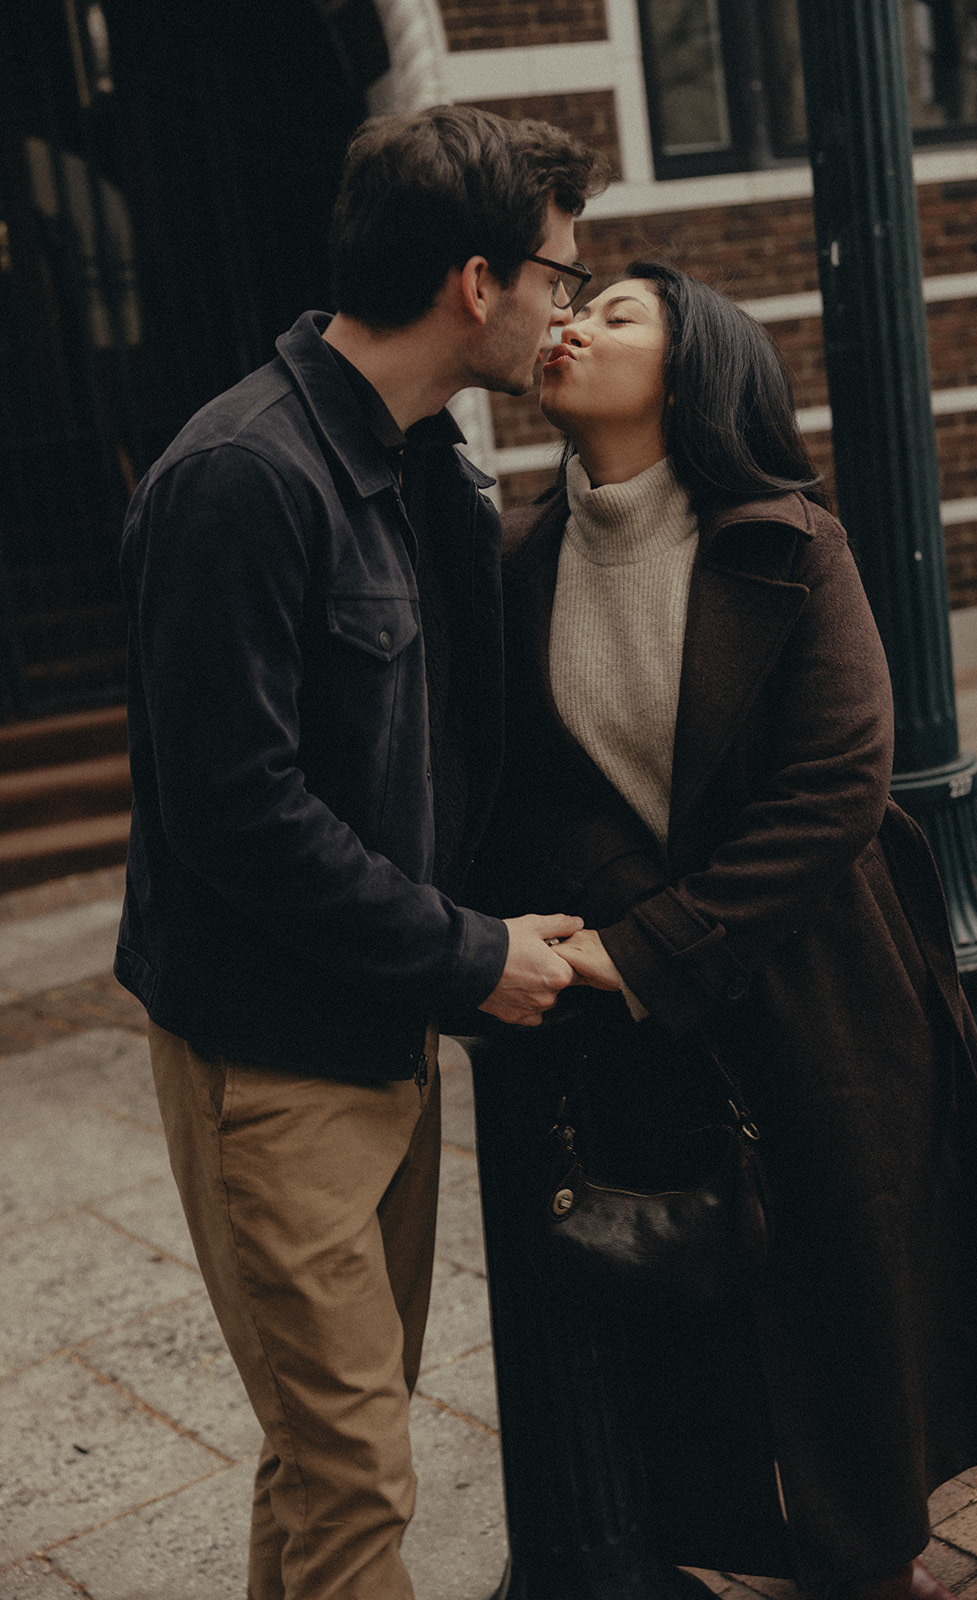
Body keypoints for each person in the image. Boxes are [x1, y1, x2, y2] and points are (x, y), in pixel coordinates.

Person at [471, 260, 977, 1600]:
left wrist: (663, 940)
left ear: (695, 369)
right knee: (697, 1288)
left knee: (850, 1284)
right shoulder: (516, 560)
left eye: (616, 314)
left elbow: (842, 776)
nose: (571, 322)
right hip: (642, 996)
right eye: (576, 301)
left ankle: (870, 1562)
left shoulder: (787, 537)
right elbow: (524, 785)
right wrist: (622, 923)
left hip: (820, 975)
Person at [113, 105, 610, 1599]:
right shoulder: (244, 477)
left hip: (382, 1038)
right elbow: (237, 814)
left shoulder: (417, 470)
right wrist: (469, 954)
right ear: (477, 280)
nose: (566, 308)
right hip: (272, 1064)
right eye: (558, 276)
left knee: (337, 1447)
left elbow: (447, 757)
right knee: (353, 1477)